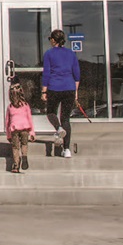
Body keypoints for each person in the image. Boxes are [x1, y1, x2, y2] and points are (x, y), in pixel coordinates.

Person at [40, 29, 80, 158]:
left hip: (54, 87)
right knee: (66, 118)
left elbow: (46, 74)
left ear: (53, 40)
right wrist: (75, 92)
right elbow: (77, 74)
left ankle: (58, 128)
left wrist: (44, 91)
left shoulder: (49, 54)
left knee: (51, 112)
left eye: (50, 39)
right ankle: (67, 150)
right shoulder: (71, 54)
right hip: (69, 88)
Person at [4, 81, 36, 172]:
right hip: (25, 128)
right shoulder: (26, 105)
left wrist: (8, 135)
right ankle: (24, 156)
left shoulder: (10, 107)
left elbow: (7, 122)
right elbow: (29, 118)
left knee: (15, 147)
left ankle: (16, 165)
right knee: (24, 144)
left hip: (14, 129)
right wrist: (32, 132)